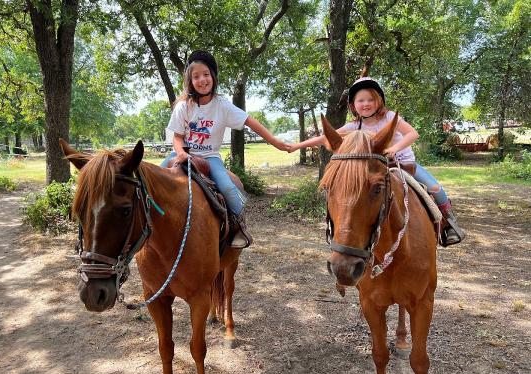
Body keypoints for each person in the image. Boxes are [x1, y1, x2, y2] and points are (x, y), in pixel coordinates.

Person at [289, 75, 465, 246]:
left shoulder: (389, 118)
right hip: (376, 168)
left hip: (404, 165)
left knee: (435, 188)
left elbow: (412, 133)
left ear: (378, 101)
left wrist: (394, 148)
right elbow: (325, 138)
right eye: (361, 100)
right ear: (353, 105)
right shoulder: (353, 126)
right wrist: (297, 146)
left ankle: (448, 225)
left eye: (370, 100)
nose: (365, 104)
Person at [163, 50, 291, 248]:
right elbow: (177, 137)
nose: (201, 80)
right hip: (183, 153)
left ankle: (238, 226)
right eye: (196, 76)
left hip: (210, 157)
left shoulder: (222, 105)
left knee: (229, 188)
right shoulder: (183, 107)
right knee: (153, 180)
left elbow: (250, 121)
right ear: (190, 80)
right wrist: (181, 153)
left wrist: (274, 141)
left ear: (213, 76)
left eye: (205, 74)